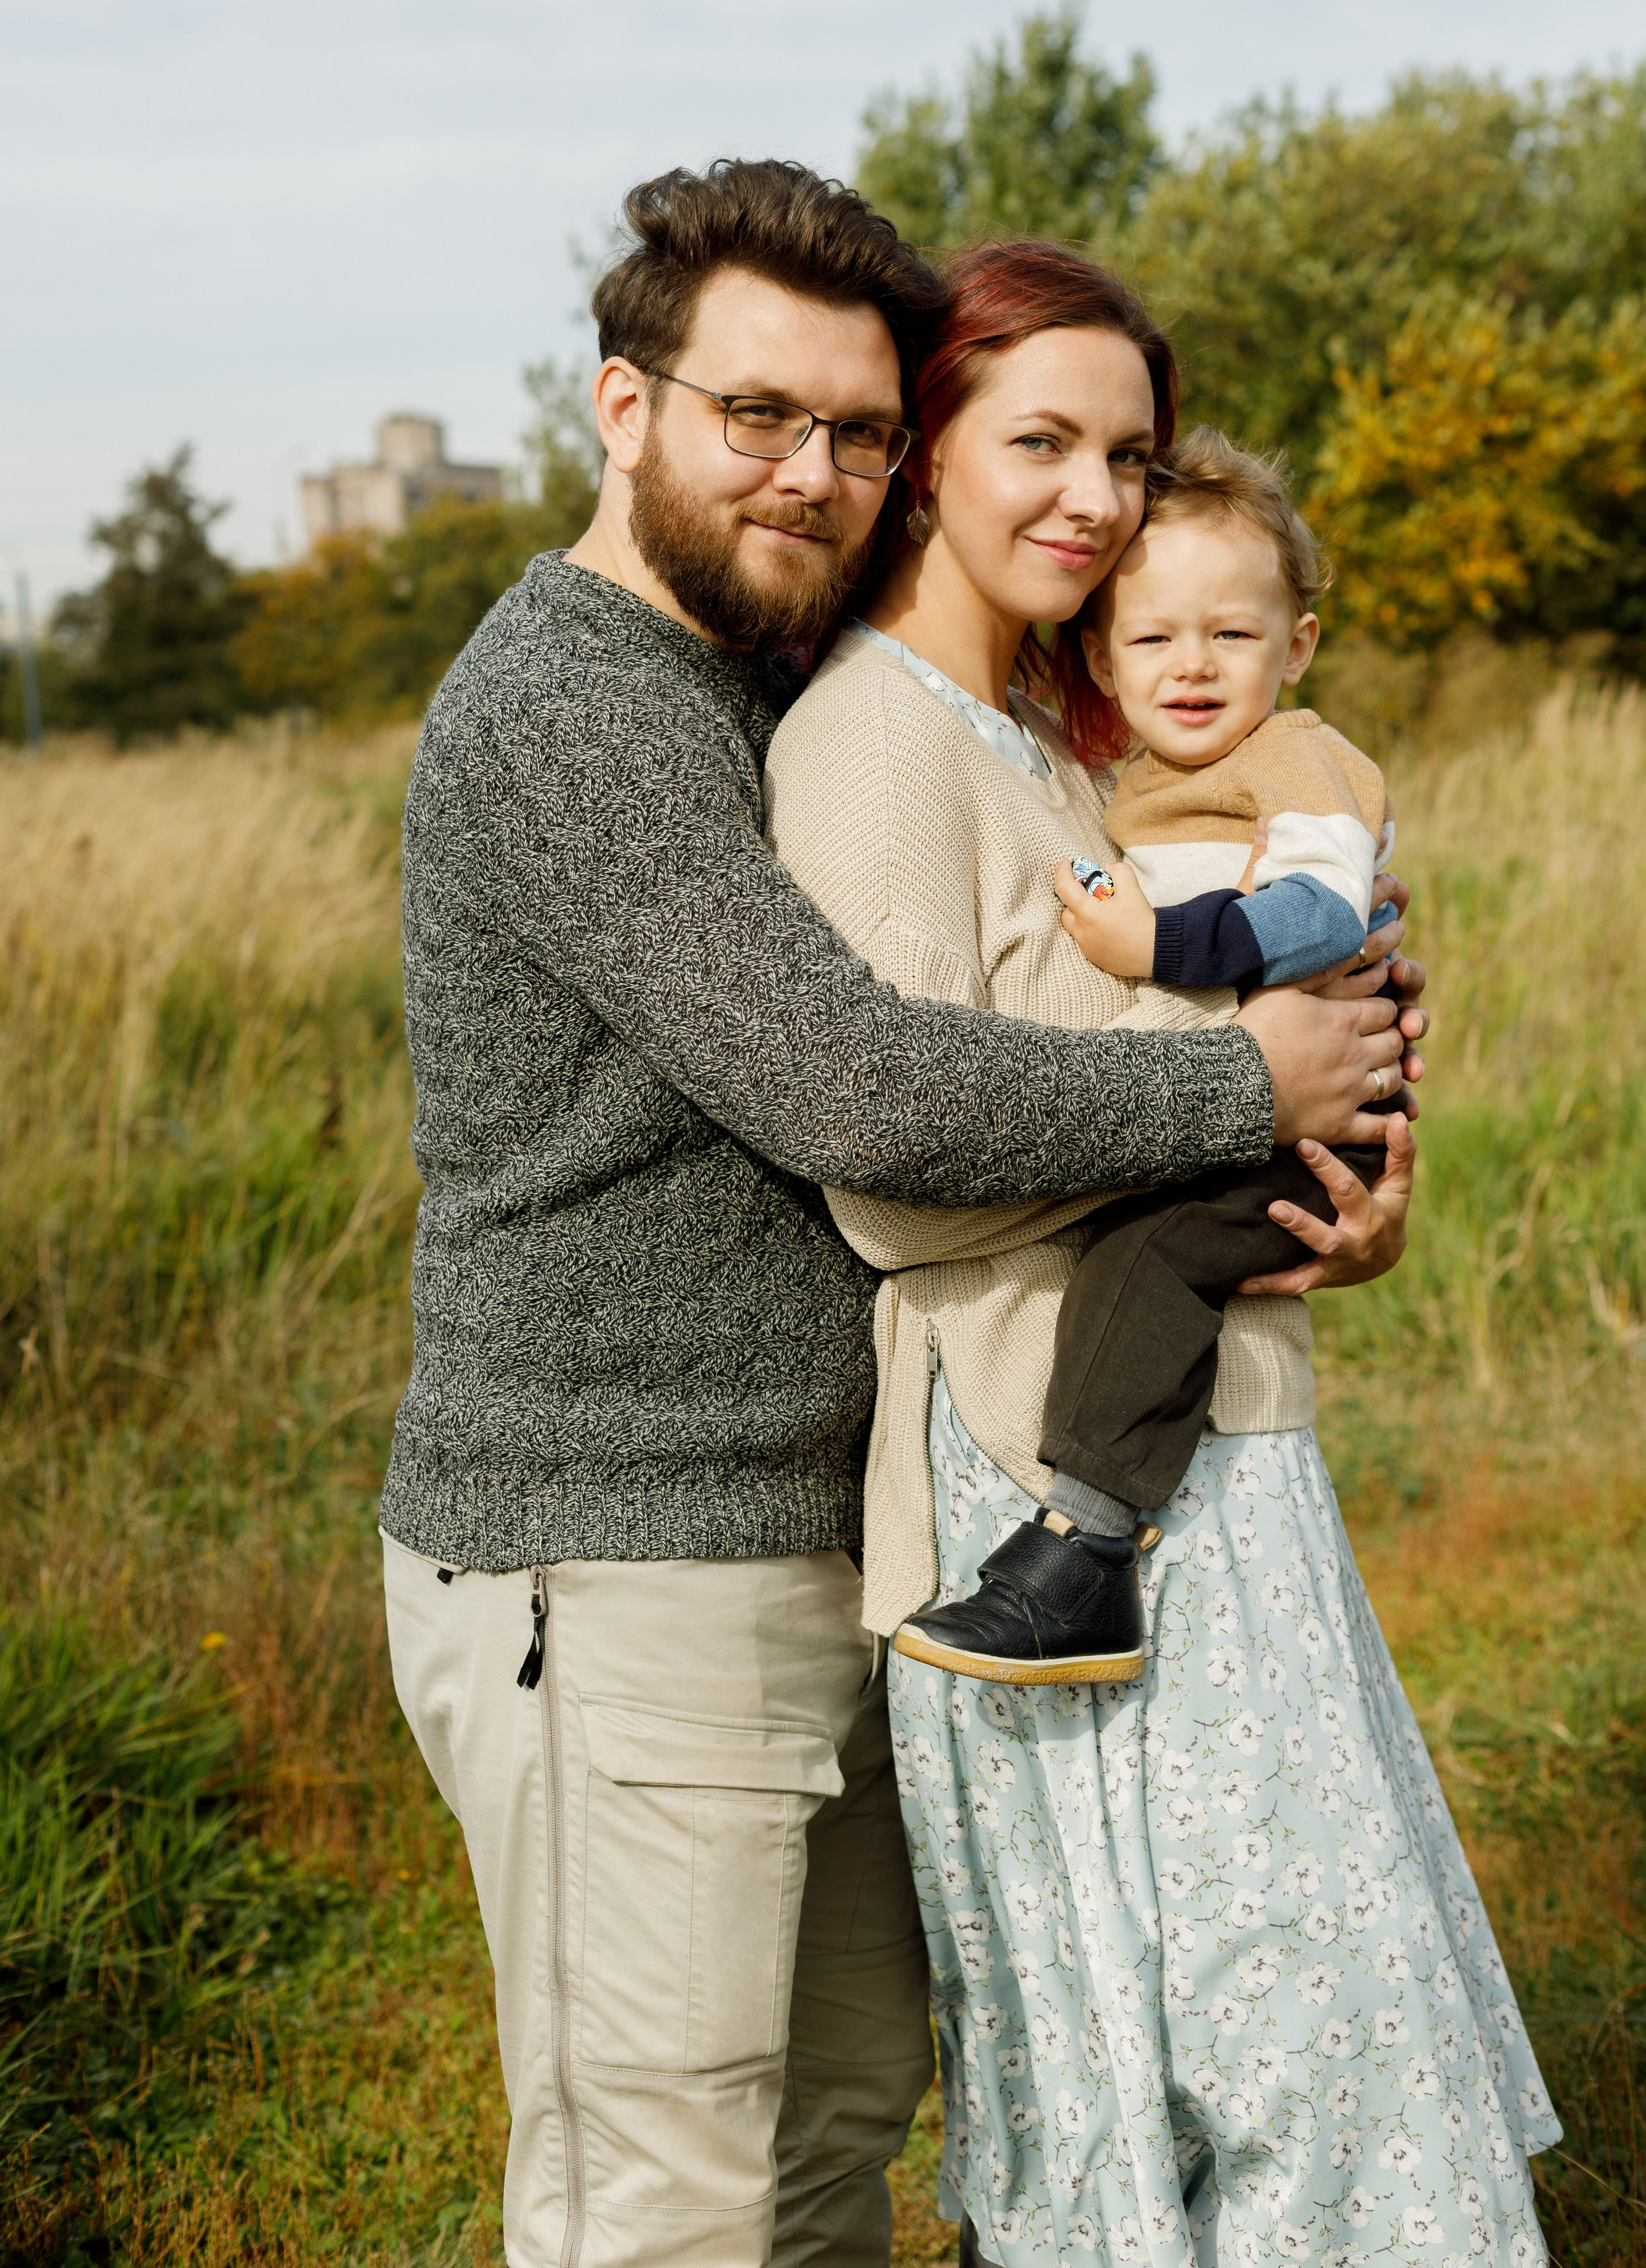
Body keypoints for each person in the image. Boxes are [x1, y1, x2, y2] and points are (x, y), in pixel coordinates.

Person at [377, 162, 1425, 2268]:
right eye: (758, 413)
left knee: (830, 2133)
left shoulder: (767, 675)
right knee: (660, 2193)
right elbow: (858, 1089)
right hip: (619, 1549)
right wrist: (1250, 1090)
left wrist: (1320, 1169)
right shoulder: (578, 707)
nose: (812, 472)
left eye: (856, 431)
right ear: (624, 406)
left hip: (830, 1530)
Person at [764, 239, 1556, 2268]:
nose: (1095, 498)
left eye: (1126, 455)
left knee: (1313, 2004)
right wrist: (1247, 1089)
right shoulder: (872, 742)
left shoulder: (1065, 741)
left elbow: (1228, 1059)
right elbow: (893, 1169)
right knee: (1214, 2032)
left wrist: (1337, 1193)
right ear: (925, 448)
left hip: (1221, 1437)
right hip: (1043, 1465)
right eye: (1041, 442)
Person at [898, 422, 1409, 1687]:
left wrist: (1158, 944)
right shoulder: (1127, 779)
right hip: (1259, 1100)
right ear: (1100, 654)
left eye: (1232, 635)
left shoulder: (1296, 759)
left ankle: (1086, 1548)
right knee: (1139, 1248)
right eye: (1153, 639)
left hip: (1308, 1120)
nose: (1192, 665)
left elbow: (1321, 916)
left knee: (1150, 1259)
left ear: (1296, 646)